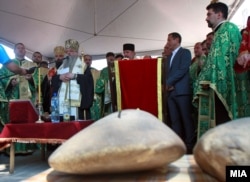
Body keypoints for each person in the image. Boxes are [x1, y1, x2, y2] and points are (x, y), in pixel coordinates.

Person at [193, 2, 244, 138]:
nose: (206, 18)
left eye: (209, 14)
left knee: (224, 120)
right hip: (215, 83)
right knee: (218, 122)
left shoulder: (228, 28)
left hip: (224, 84)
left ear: (219, 14)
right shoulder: (219, 32)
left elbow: (222, 60)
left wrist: (207, 76)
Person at [0, 43, 38, 154]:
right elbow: (2, 79)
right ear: (14, 50)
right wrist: (10, 83)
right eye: (18, 48)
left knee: (27, 123)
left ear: (26, 51)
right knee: (14, 122)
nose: (21, 50)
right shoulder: (7, 64)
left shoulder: (32, 65)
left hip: (28, 100)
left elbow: (38, 81)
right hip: (13, 98)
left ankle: (27, 147)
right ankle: (13, 149)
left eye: (23, 48)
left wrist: (31, 79)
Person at [165, 32, 195, 154]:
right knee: (175, 120)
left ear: (177, 40)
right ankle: (178, 145)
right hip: (170, 93)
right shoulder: (168, 57)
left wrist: (169, 82)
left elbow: (182, 69)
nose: (168, 42)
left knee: (186, 119)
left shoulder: (185, 52)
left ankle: (190, 145)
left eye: (169, 40)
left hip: (182, 91)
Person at [52, 39, 94, 120]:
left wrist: (75, 76)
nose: (68, 53)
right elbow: (53, 81)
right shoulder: (61, 66)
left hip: (77, 104)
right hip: (61, 102)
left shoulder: (83, 66)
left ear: (76, 52)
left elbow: (89, 82)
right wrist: (59, 77)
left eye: (71, 51)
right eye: (67, 51)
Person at [41, 46, 65, 114]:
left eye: (60, 56)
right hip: (53, 96)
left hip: (63, 94)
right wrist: (48, 81)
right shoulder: (51, 70)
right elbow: (44, 86)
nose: (58, 58)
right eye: (56, 56)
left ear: (63, 57)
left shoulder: (67, 68)